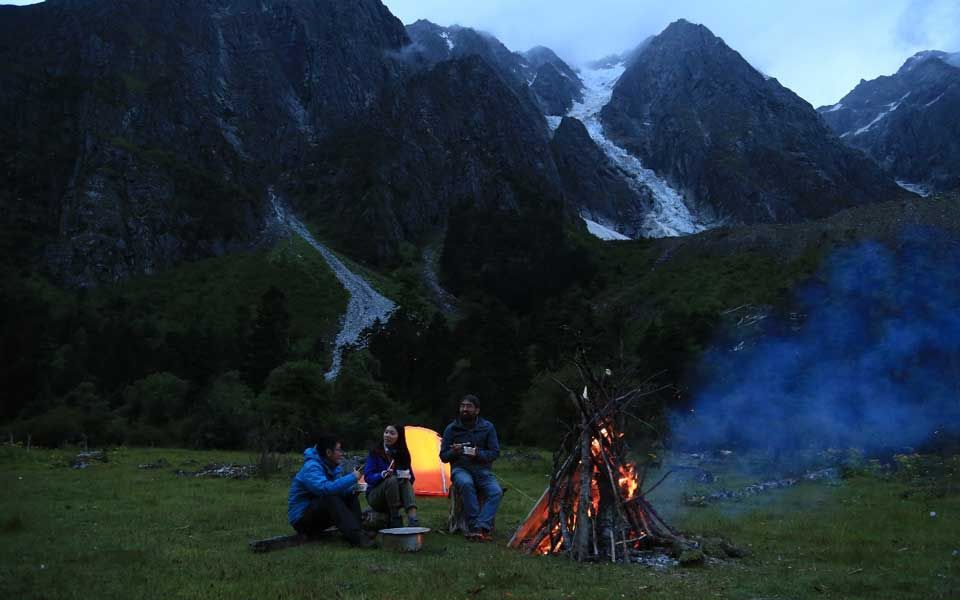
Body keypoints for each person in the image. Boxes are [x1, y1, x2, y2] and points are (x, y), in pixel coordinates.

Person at [287, 434, 375, 548]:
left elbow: (339, 489)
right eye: (338, 450)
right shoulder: (311, 467)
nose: (341, 453)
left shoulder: (333, 466)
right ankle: (358, 538)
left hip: (318, 515)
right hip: (301, 520)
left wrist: (354, 489)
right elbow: (324, 489)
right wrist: (352, 477)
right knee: (330, 498)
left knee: (350, 495)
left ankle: (359, 531)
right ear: (328, 452)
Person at [439, 394, 503, 541]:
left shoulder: (487, 427)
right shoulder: (452, 429)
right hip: (460, 469)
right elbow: (443, 456)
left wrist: (477, 454)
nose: (464, 409)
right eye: (462, 406)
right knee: (466, 484)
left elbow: (494, 452)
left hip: (482, 470)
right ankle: (475, 526)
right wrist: (453, 452)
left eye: (468, 406)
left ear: (477, 410)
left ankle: (482, 526)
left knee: (496, 492)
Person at [364, 424, 419, 528]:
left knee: (405, 481)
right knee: (392, 479)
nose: (387, 435)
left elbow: (412, 478)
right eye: (386, 432)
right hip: (376, 496)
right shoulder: (375, 452)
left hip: (396, 495)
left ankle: (413, 519)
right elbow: (368, 477)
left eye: (392, 433)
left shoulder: (402, 453)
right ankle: (395, 518)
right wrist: (381, 475)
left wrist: (405, 476)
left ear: (399, 437)